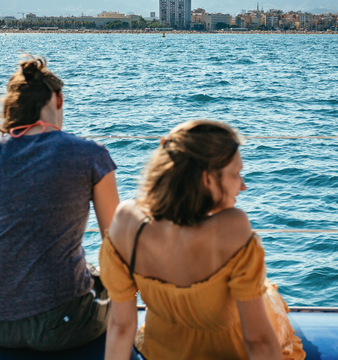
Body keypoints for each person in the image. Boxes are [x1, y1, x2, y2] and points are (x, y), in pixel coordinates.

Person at [99, 120, 305, 360]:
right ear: (207, 179)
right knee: (269, 293)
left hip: (165, 350)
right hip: (231, 350)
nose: (243, 186)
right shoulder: (233, 227)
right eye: (236, 174)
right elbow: (257, 341)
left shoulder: (126, 220)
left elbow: (121, 327)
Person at [0, 56, 120, 351]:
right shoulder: (90, 153)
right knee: (107, 284)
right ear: (59, 99)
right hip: (63, 324)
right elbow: (116, 246)